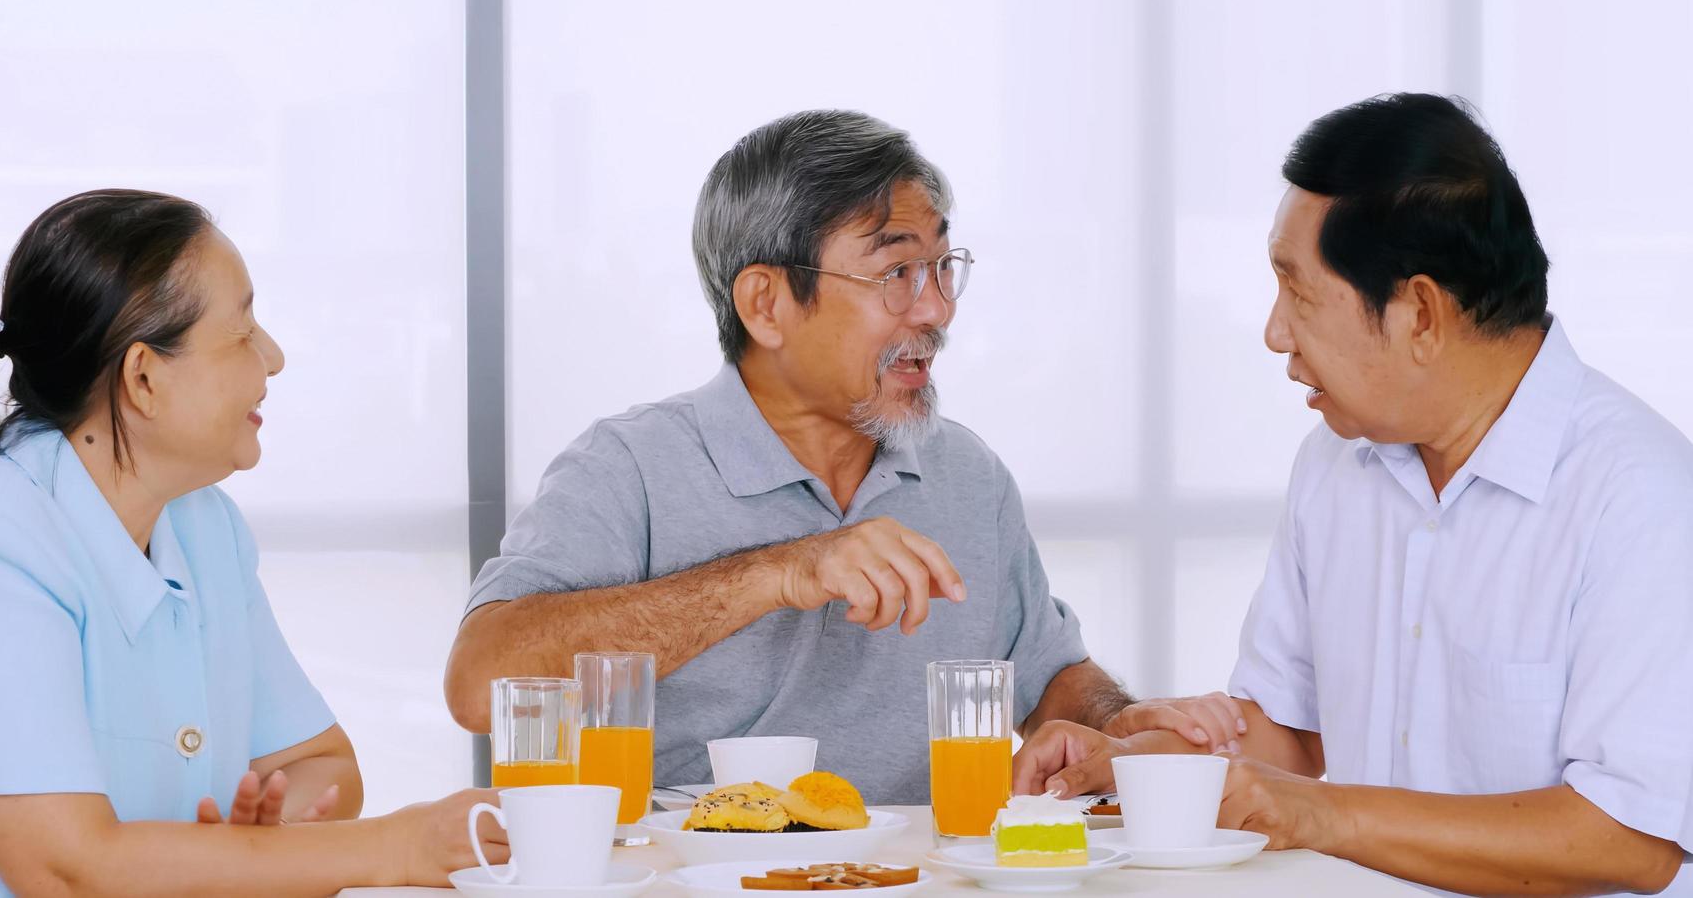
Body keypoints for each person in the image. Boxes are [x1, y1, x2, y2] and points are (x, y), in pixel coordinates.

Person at [1013, 94, 1692, 895]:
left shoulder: (1640, 494)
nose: (1274, 333)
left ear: (1421, 314)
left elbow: (1631, 839)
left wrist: (1322, 816)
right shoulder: (1337, 465)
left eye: (1297, 293)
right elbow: (1287, 739)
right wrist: (1130, 764)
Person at [444, 110, 1215, 803]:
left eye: (944, 268)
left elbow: (1047, 677)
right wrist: (783, 571)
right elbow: (481, 684)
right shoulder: (629, 467)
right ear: (765, 304)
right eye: (896, 272)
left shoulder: (966, 476)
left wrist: (1119, 724)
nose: (937, 309)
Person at [0, 190, 504, 895]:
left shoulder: (203, 524)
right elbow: (65, 870)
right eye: (242, 332)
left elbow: (325, 765)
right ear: (144, 377)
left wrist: (237, 854)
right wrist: (394, 848)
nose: (271, 358)